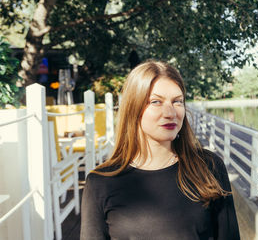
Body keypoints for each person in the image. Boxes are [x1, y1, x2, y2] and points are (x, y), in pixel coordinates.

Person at [80, 59, 240, 240]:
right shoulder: (100, 183)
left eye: (177, 101)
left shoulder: (209, 166)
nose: (170, 112)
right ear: (133, 108)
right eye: (156, 101)